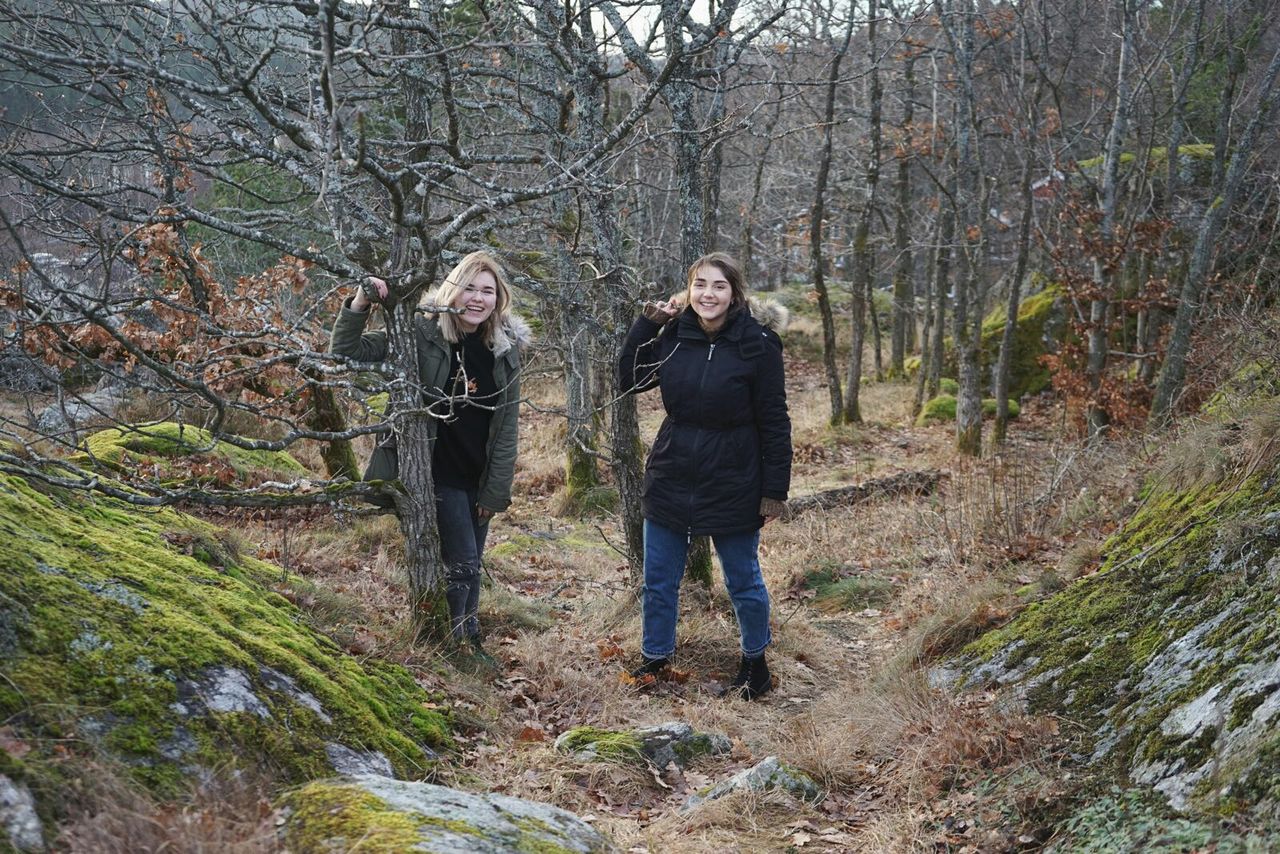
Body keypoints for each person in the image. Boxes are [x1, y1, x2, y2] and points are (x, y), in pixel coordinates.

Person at [330, 251, 530, 649]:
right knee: (463, 565)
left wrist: (495, 491)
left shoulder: (504, 351)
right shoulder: (421, 334)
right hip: (436, 471)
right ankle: (459, 644)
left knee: (469, 564)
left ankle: (463, 637)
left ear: (499, 298)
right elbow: (345, 351)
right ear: (452, 290)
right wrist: (361, 302)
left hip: (479, 476)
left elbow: (506, 429)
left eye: (487, 291)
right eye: (469, 287)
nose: (477, 298)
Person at [617, 251, 791, 700]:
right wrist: (646, 324)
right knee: (658, 579)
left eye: (718, 286)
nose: (707, 294)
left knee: (743, 580)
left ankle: (755, 664)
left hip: (734, 477)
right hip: (672, 472)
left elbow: (775, 419)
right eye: (699, 285)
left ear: (734, 293)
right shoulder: (675, 335)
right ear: (688, 291)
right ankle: (654, 659)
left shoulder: (758, 343)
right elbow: (631, 380)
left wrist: (774, 490)